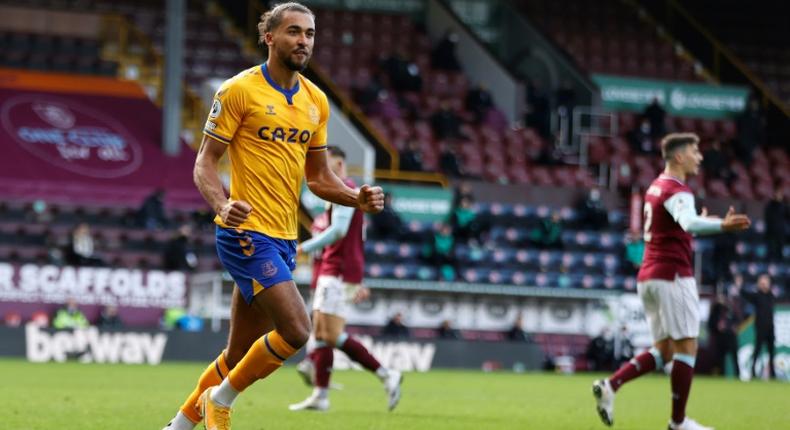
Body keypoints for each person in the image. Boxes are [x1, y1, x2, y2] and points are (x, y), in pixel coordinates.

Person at [161, 4, 385, 430]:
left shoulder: (316, 101)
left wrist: (357, 198)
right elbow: (204, 163)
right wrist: (222, 204)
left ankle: (178, 427)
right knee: (298, 331)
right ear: (270, 37)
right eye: (294, 32)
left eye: (310, 34)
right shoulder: (238, 90)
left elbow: (318, 179)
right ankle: (221, 401)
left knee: (238, 351)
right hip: (245, 231)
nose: (304, 41)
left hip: (283, 238)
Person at [592, 133, 751, 430]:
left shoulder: (656, 187)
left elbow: (678, 226)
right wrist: (722, 224)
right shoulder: (678, 189)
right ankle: (678, 423)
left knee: (665, 349)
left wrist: (693, 222)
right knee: (686, 347)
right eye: (695, 151)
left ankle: (611, 385)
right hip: (673, 276)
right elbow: (688, 222)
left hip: (649, 276)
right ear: (679, 157)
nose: (700, 157)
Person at [288, 146, 402, 412]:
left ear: (338, 165)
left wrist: (302, 248)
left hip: (337, 270)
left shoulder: (345, 189)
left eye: (324, 164)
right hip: (337, 270)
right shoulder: (343, 192)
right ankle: (321, 392)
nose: (318, 170)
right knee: (324, 333)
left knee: (328, 333)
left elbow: (338, 231)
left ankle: (385, 374)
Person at [737, 274, 776, 380]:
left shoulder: (771, 295)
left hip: (770, 327)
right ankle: (753, 371)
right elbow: (744, 294)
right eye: (762, 282)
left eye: (766, 282)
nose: (764, 284)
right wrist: (739, 286)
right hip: (760, 327)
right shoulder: (757, 296)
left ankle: (773, 373)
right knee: (757, 350)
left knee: (771, 351)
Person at [707, 295, 740, 378]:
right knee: (720, 359)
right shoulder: (715, 311)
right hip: (720, 338)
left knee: (735, 357)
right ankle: (722, 375)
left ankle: (737, 375)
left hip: (731, 337)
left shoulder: (730, 309)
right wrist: (717, 326)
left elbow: (737, 320)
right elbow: (710, 325)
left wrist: (735, 326)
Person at [764, 190, 786, 262]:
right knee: (770, 247)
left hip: (780, 231)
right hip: (771, 230)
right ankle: (770, 260)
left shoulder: (783, 206)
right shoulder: (769, 206)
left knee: (780, 247)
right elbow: (767, 218)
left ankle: (780, 260)